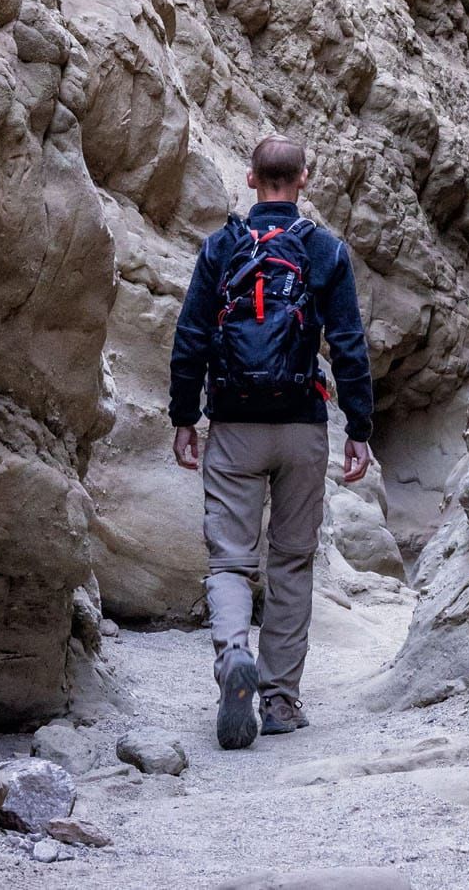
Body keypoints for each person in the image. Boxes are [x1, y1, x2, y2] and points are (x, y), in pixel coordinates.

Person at [168, 134, 375, 750]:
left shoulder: (221, 247)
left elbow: (191, 339)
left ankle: (234, 655)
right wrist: (359, 429)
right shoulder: (323, 250)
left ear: (252, 181)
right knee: (290, 560)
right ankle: (280, 699)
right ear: (304, 180)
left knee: (231, 559)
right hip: (303, 425)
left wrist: (185, 418)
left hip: (233, 425)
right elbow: (349, 344)